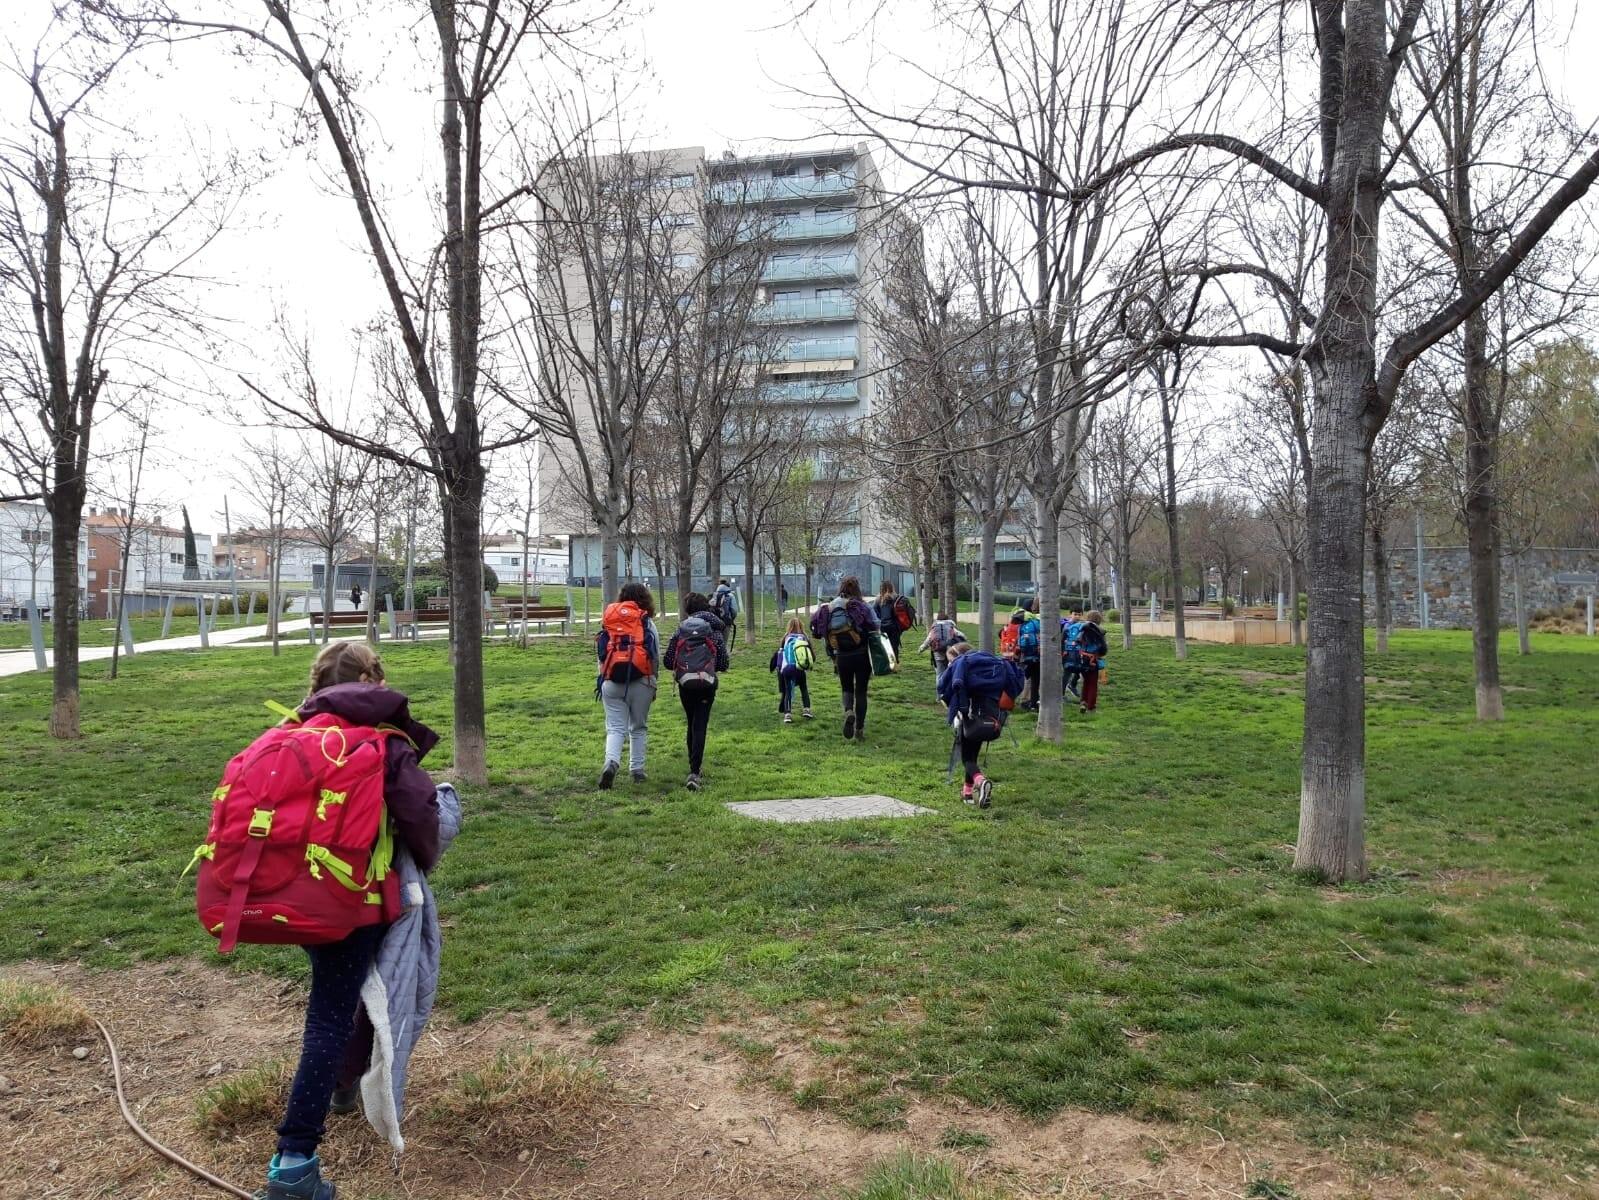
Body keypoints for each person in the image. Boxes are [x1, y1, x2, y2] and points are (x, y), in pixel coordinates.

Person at [260, 642, 442, 1200]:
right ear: (373, 679)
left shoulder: (293, 733)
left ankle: (342, 1085)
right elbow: (420, 815)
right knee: (333, 1013)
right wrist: (429, 849)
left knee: (349, 989)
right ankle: (294, 1161)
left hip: (297, 894)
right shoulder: (383, 743)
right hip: (356, 899)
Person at [937, 641, 1024, 809]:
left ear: (957, 657)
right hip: (990, 719)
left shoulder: (963, 668)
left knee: (966, 758)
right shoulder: (990, 667)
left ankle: (981, 782)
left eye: (950, 661)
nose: (950, 664)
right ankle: (967, 794)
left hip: (969, 716)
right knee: (972, 755)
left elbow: (945, 688)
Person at [595, 582, 659, 788]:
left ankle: (611, 762)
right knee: (638, 727)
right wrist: (653, 681)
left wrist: (604, 677)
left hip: (612, 681)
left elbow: (601, 653)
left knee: (615, 728)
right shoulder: (646, 622)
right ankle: (637, 770)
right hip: (642, 680)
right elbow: (655, 655)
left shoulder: (610, 621)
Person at [664, 592, 730, 790]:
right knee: (700, 725)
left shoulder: (681, 630)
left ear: (687, 610)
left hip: (685, 683)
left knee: (691, 723)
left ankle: (693, 766)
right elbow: (723, 663)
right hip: (707, 685)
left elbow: (668, 661)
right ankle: (694, 771)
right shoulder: (715, 630)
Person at [811, 575, 879, 742]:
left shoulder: (831, 607)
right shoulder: (861, 606)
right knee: (861, 692)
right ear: (857, 589)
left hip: (841, 656)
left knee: (846, 688)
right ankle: (859, 730)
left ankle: (849, 710)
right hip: (862, 655)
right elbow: (876, 625)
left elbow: (819, 631)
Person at [768, 616, 815, 723]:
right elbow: (811, 655)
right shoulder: (804, 637)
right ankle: (806, 709)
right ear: (801, 626)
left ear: (789, 626)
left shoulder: (786, 637)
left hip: (787, 668)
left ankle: (787, 715)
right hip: (800, 668)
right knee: (804, 688)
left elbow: (780, 654)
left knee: (788, 691)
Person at [1077, 608, 1110, 713]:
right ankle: (1091, 706)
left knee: (1085, 682)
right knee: (1092, 683)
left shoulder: (1082, 629)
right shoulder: (1099, 631)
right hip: (1093, 660)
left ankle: (1083, 702)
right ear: (1099, 619)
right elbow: (1103, 649)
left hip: (1082, 658)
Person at [918, 612, 967, 683]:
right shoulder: (951, 626)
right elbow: (963, 636)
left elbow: (928, 641)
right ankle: (949, 689)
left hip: (938, 653)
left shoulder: (934, 628)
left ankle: (940, 692)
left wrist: (920, 649)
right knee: (950, 672)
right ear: (947, 619)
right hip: (950, 652)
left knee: (939, 674)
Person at [1017, 603, 1042, 711]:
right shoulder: (1041, 621)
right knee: (1035, 680)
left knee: (1025, 677)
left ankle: (1022, 700)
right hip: (1038, 655)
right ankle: (1033, 703)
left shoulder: (1024, 621)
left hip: (1025, 654)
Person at [874, 581, 908, 659]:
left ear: (881, 589)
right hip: (895, 626)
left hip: (883, 626)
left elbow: (875, 612)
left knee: (885, 645)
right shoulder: (897, 598)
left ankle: (887, 663)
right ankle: (895, 664)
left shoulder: (878, 599)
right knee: (894, 646)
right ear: (892, 588)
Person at [1061, 607, 1085, 699]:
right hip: (1067, 653)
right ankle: (1061, 694)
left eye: (1079, 614)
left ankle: (1072, 685)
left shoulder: (1082, 626)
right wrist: (1063, 652)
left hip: (1078, 652)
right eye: (1075, 614)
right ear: (1070, 614)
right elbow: (1062, 639)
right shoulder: (1067, 625)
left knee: (1079, 670)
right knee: (1067, 672)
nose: (1077, 616)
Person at [711, 579, 740, 646]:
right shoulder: (730, 595)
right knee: (724, 642)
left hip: (714, 621)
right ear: (728, 587)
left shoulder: (715, 594)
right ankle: (722, 655)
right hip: (726, 622)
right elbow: (734, 611)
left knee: (714, 642)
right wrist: (731, 619)